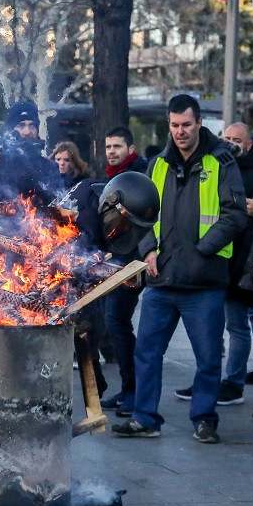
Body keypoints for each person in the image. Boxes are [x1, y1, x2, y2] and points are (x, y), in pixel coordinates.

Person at [111, 94, 247, 443]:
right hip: (161, 278)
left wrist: (203, 249)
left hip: (205, 281)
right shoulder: (157, 165)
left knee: (207, 357)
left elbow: (235, 214)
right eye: (174, 125)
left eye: (187, 124)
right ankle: (144, 418)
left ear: (200, 123)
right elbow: (141, 217)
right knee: (147, 352)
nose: (180, 132)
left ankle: (204, 418)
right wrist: (148, 251)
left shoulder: (222, 161)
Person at [56, 171, 160, 403]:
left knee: (111, 321)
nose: (121, 230)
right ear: (108, 205)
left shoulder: (109, 195)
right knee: (86, 316)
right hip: (57, 270)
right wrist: (91, 364)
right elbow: (82, 301)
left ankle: (127, 389)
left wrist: (124, 271)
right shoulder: (82, 221)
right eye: (120, 224)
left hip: (95, 260)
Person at [216, 123, 253, 406]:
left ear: (249, 145)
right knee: (216, 327)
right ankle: (214, 380)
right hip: (217, 263)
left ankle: (233, 383)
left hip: (241, 266)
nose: (230, 143)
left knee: (238, 326)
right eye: (226, 138)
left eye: (236, 139)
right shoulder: (218, 169)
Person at [97, 126, 150, 417]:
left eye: (117, 146)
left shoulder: (139, 178)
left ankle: (133, 391)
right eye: (108, 147)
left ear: (130, 148)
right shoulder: (109, 178)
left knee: (117, 324)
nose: (112, 151)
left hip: (129, 264)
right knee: (113, 324)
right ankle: (128, 389)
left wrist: (140, 262)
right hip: (108, 263)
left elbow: (145, 223)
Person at [0, 100, 61, 206]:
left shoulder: (49, 167)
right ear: (10, 131)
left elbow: (54, 201)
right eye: (21, 126)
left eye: (32, 126)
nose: (27, 132)